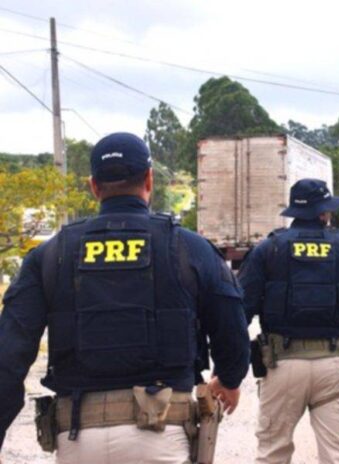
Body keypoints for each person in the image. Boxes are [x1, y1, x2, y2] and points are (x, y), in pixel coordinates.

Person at [0, 132, 250, 464]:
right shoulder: (188, 248)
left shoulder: (49, 256)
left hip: (78, 438)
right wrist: (229, 379)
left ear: (94, 186)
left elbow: (8, 358)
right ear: (149, 180)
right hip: (161, 436)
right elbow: (231, 324)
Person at [239, 178, 339, 464]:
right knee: (337, 457)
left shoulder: (268, 249)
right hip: (333, 366)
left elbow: (239, 311)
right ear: (324, 212)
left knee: (272, 454)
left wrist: (229, 367)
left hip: (280, 365)